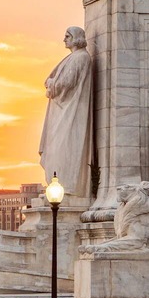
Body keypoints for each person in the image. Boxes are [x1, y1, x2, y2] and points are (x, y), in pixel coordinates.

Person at [39, 26, 93, 198]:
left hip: (70, 112)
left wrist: (51, 84)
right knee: (57, 148)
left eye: (67, 36)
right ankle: (59, 185)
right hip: (63, 111)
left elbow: (66, 83)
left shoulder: (80, 58)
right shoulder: (73, 58)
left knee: (65, 146)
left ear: (76, 38)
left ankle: (67, 187)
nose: (64, 39)